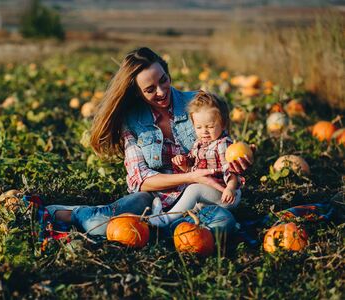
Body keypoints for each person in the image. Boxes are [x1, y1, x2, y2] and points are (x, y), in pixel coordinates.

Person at [31, 47, 252, 237]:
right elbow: (139, 180)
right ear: (136, 93)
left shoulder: (198, 103)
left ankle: (156, 229)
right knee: (98, 225)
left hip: (200, 199)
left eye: (163, 79)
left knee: (223, 223)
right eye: (149, 89)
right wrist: (190, 176)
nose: (161, 91)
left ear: (167, 72)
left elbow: (224, 145)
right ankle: (73, 213)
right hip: (154, 198)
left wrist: (241, 160)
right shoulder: (132, 121)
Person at [148, 90, 242, 228]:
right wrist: (184, 163)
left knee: (194, 190)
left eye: (210, 126)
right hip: (208, 194)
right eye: (199, 127)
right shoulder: (199, 143)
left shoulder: (222, 144)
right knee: (191, 205)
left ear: (223, 124)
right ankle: (167, 224)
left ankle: (165, 219)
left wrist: (230, 188)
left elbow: (231, 171)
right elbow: (195, 170)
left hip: (226, 194)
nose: (204, 131)